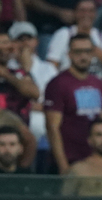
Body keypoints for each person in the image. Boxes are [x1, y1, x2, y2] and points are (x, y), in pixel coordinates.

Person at [44, 33, 102, 174]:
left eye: (87, 51)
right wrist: (63, 166)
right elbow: (52, 127)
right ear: (69, 54)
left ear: (93, 54)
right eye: (78, 52)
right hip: (70, 160)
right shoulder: (58, 84)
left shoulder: (99, 84)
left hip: (94, 160)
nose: (83, 56)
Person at [7, 21, 57, 172]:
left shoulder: (48, 69)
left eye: (28, 38)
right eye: (19, 39)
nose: (25, 43)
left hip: (42, 126)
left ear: (36, 41)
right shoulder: (6, 68)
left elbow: (52, 103)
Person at [46, 0, 102, 81]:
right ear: (75, 13)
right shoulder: (64, 34)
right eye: (82, 11)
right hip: (69, 84)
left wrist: (90, 47)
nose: (86, 14)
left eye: (90, 11)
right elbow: (51, 65)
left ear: (96, 14)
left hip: (96, 86)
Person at [0, 30, 40, 125]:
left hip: (18, 132)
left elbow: (34, 93)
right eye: (3, 43)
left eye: (8, 43)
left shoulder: (18, 73)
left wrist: (6, 75)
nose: (7, 47)